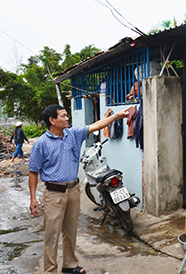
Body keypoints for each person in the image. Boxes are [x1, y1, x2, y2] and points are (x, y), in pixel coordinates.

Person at [29, 104, 129, 274]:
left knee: (71, 231)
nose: (67, 118)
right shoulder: (41, 144)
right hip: (53, 194)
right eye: (63, 116)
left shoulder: (73, 134)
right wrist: (33, 198)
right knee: (52, 235)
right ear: (52, 120)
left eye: (67, 115)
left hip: (73, 191)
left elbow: (96, 125)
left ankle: (69, 265)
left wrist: (115, 117)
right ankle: (50, 270)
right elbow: (33, 172)